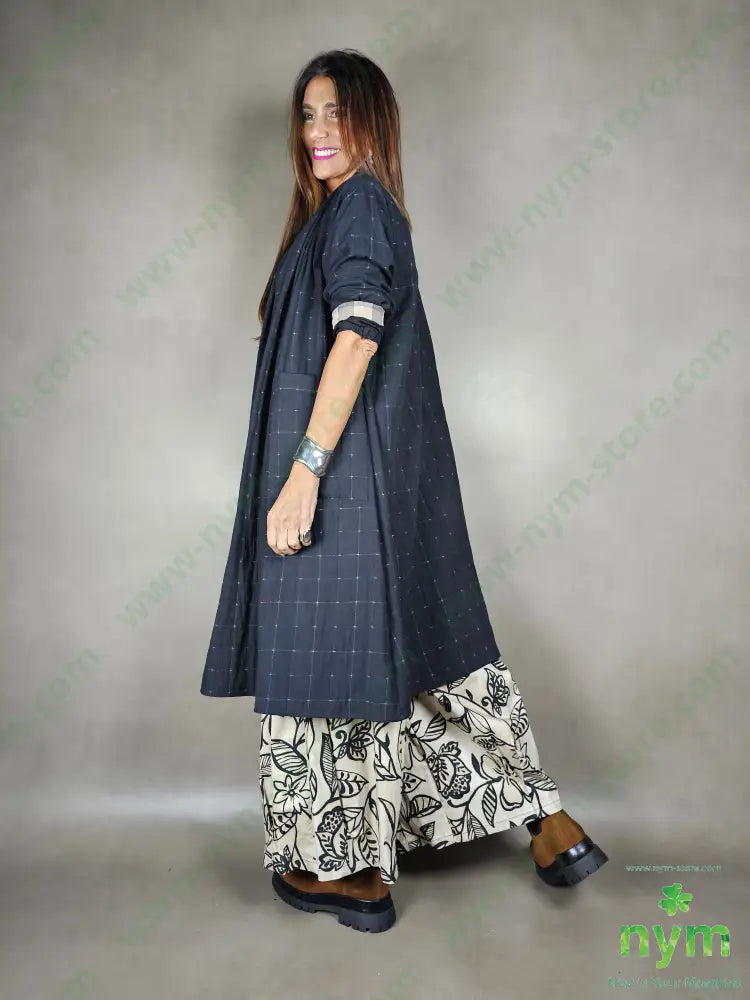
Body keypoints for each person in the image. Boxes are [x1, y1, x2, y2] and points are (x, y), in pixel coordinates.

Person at [200, 49, 608, 934]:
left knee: (332, 671)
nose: (317, 132)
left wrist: (303, 475)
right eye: (307, 114)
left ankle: (356, 877)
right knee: (419, 662)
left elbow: (357, 338)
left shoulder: (359, 210)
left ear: (373, 123)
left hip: (342, 485)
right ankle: (552, 825)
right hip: (378, 482)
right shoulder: (353, 212)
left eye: (337, 113)